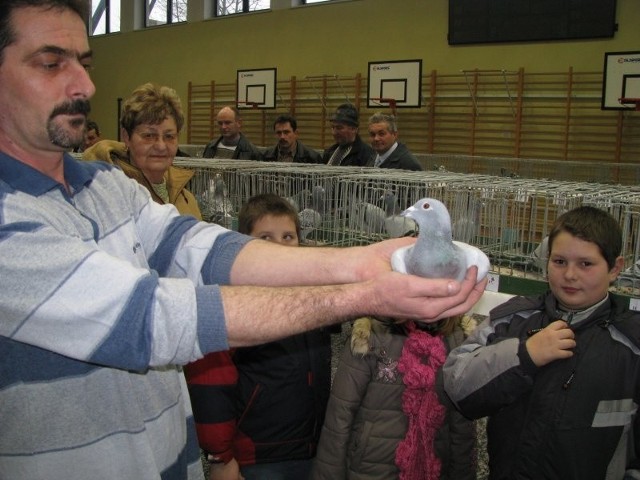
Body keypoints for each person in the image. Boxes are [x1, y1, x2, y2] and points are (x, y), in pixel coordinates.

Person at [0, 2, 486, 478]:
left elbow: (199, 247)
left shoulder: (105, 186)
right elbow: (154, 318)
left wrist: (361, 262)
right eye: (50, 63)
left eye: (84, 63)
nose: (85, 85)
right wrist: (365, 295)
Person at [443, 205, 640, 480]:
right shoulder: (512, 319)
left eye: (586, 264)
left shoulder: (631, 343)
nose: (570, 275)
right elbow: (457, 386)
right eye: (559, 261)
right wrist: (523, 355)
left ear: (615, 268)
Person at [187, 193, 331, 480]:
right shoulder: (232, 302)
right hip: (259, 454)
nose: (278, 247)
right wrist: (220, 457)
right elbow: (210, 385)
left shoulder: (313, 297)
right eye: (265, 238)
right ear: (243, 244)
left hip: (312, 447)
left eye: (288, 237)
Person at [311, 314, 477, 480]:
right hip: (371, 467)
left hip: (433, 466)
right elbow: (340, 415)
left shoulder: (457, 340)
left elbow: (462, 426)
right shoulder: (369, 336)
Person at [83, 82, 202, 219]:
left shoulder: (187, 199)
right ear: (126, 137)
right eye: (149, 136)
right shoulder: (107, 195)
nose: (161, 146)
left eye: (169, 136)